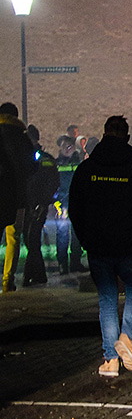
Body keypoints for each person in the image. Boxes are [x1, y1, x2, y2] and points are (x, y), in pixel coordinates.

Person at [69, 115, 132, 379]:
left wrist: (86, 239)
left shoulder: (87, 170)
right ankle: (127, 339)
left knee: (107, 299)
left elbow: (75, 208)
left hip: (99, 245)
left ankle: (110, 360)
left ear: (104, 133)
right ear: (128, 137)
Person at [1, 102, 36, 292]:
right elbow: (32, 165)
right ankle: (8, 280)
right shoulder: (22, 136)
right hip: (17, 196)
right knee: (13, 237)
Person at [22, 125, 59, 286]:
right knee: (30, 239)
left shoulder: (43, 158)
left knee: (32, 238)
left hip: (38, 206)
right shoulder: (27, 157)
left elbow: (52, 182)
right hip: (27, 205)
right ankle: (38, 274)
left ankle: (30, 276)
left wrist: (43, 203)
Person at [53, 134, 85, 274]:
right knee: (62, 235)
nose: (67, 149)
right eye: (64, 146)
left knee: (77, 234)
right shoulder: (56, 164)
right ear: (60, 148)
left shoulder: (79, 163)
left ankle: (75, 262)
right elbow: (52, 185)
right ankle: (62, 264)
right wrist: (56, 202)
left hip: (77, 203)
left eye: (70, 146)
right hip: (62, 205)